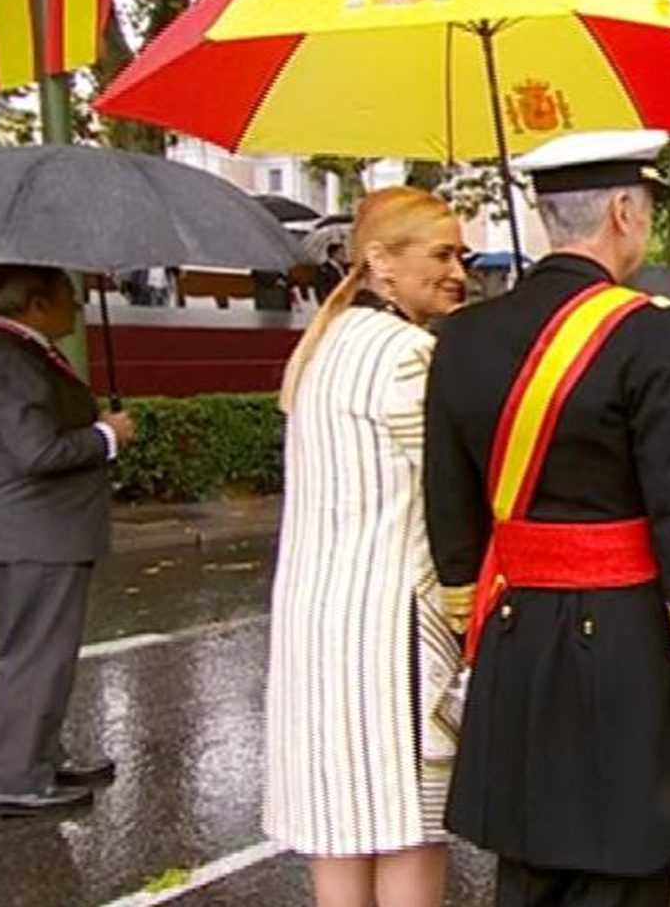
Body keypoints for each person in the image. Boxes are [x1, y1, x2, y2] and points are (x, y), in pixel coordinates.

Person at [424, 131, 670, 907]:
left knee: (529, 868)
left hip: (513, 637)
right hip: (624, 642)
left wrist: (472, 635)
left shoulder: (460, 337)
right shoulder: (649, 330)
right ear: (625, 211)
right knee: (621, 872)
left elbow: (451, 518)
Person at [264, 188, 469, 907]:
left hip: (313, 625)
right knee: (410, 825)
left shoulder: (321, 345)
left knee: (341, 826)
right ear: (380, 261)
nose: (459, 272)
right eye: (442, 255)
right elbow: (453, 495)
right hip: (390, 630)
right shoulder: (409, 354)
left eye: (461, 255)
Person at [0, 265, 136, 820]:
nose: (76, 309)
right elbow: (36, 454)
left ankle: (37, 759)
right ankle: (10, 779)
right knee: (33, 658)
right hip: (33, 532)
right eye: (68, 298)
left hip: (29, 530)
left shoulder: (2, 350)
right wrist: (107, 435)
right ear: (36, 303)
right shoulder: (8, 360)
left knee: (46, 657)